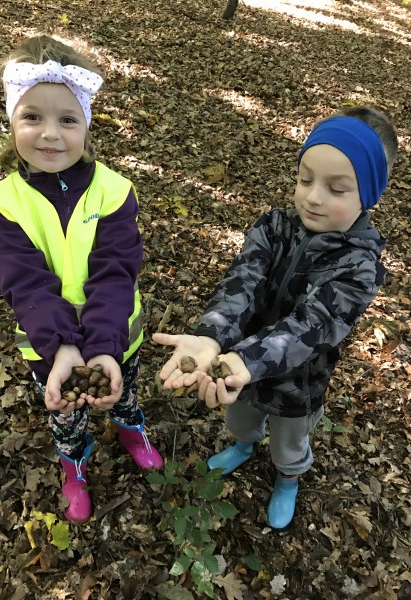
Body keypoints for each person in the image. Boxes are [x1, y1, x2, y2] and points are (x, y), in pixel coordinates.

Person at [153, 106, 398, 530]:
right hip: (240, 372)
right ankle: (244, 447)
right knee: (240, 419)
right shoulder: (273, 228)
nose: (313, 197)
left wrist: (246, 360)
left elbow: (313, 324)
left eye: (336, 188)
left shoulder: (359, 268)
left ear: (369, 194)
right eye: (305, 179)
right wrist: (211, 337)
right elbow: (241, 283)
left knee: (289, 444)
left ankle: (288, 479)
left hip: (297, 385)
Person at [0, 35, 163, 524]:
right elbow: (25, 280)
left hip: (118, 336)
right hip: (48, 346)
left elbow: (116, 269)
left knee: (123, 389)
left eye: (67, 119)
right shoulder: (3, 202)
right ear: (11, 122)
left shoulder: (114, 191)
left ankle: (130, 429)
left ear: (86, 125)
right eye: (32, 117)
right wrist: (62, 346)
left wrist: (104, 347)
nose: (50, 134)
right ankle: (75, 466)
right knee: (66, 413)